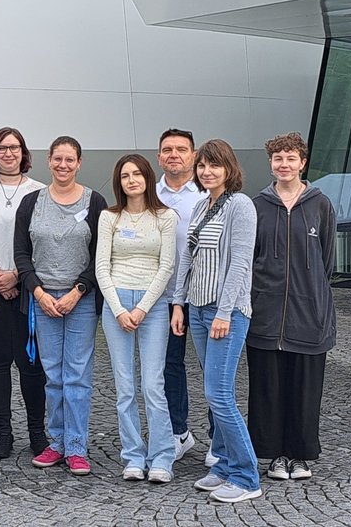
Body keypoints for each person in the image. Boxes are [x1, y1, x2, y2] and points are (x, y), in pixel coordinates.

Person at [170, 139, 261, 503]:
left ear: (229, 168)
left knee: (219, 395)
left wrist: (225, 312)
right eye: (203, 166)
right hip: (197, 307)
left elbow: (240, 263)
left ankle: (246, 476)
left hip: (228, 312)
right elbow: (187, 259)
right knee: (214, 392)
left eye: (215, 166)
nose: (207, 172)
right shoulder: (201, 205)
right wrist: (179, 304)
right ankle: (222, 465)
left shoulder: (241, 206)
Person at [247, 132, 337, 482]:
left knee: (304, 388)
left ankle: (300, 455)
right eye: (278, 159)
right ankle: (274, 455)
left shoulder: (320, 205)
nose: (284, 165)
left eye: (290, 158)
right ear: (271, 163)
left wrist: (313, 294)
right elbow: (250, 258)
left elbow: (326, 260)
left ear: (302, 162)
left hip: (309, 314)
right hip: (266, 315)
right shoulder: (257, 206)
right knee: (268, 388)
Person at [15, 136, 107, 476]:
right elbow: (22, 254)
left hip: (80, 300)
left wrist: (78, 290)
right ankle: (57, 443)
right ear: (48, 161)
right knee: (52, 375)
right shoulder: (31, 203)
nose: (63, 165)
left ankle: (78, 447)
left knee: (78, 375)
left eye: (70, 160)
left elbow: (101, 253)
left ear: (79, 163)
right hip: (43, 300)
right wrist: (39, 293)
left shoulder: (94, 202)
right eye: (58, 159)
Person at [96, 154, 177, 483]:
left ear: (147, 178)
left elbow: (167, 266)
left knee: (153, 386)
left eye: (137, 174)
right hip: (116, 305)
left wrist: (142, 307)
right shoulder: (109, 217)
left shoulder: (164, 217)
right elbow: (102, 266)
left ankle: (162, 457)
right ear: (119, 181)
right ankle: (133, 455)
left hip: (153, 305)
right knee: (124, 388)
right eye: (125, 175)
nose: (131, 180)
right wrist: (118, 309)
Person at [0, 127, 48, 459]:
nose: (8, 153)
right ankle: (3, 432)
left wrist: (18, 275)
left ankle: (37, 432)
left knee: (32, 364)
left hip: (28, 289)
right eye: (2, 148)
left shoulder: (41, 192)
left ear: (24, 153)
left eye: (14, 148)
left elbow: (45, 242)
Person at [154, 128, 211, 464]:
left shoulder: (208, 193)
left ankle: (219, 440)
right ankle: (179, 434)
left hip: (203, 293)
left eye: (181, 149)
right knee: (169, 366)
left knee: (211, 368)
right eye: (167, 149)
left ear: (193, 155)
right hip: (163, 296)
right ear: (159, 156)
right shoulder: (149, 192)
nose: (173, 154)